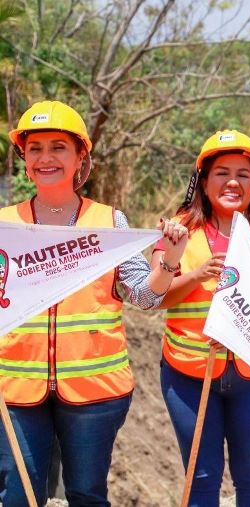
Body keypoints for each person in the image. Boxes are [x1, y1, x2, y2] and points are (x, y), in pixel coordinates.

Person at [0, 100, 188, 507]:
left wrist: (169, 259)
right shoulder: (4, 225)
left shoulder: (108, 222)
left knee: (86, 494)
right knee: (19, 497)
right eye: (35, 148)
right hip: (15, 389)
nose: (45, 158)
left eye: (58, 147)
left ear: (80, 156)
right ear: (23, 158)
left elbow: (144, 295)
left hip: (94, 390)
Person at [153, 130, 250, 507]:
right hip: (188, 373)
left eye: (244, 174)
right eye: (222, 172)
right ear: (203, 180)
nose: (233, 182)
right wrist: (192, 275)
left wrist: (242, 330)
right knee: (201, 479)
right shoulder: (179, 228)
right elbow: (155, 296)